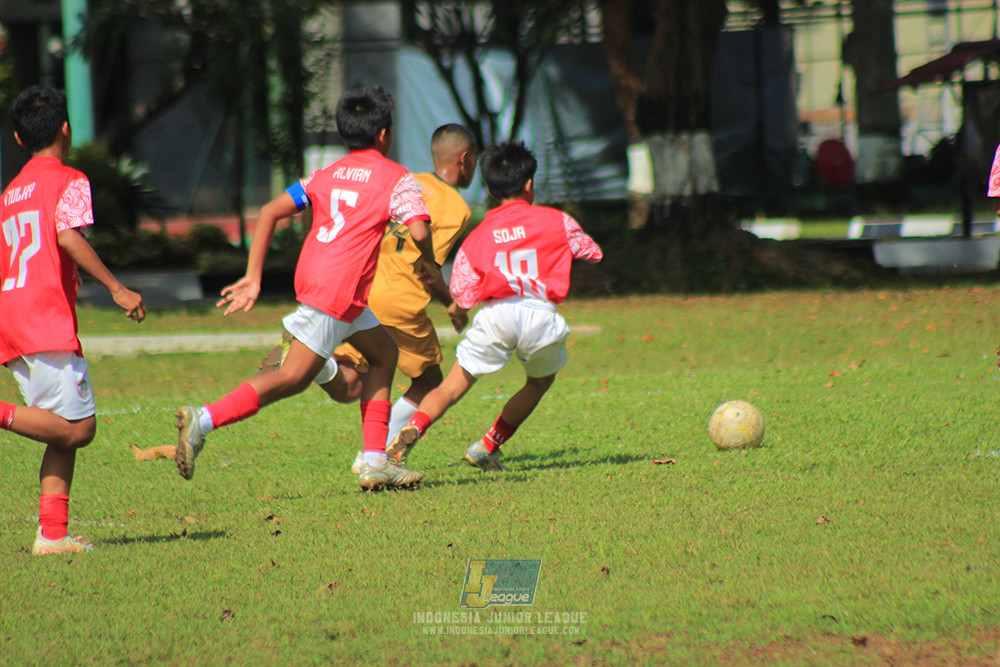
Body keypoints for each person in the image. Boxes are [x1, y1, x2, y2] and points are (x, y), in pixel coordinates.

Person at [172, 86, 442, 491]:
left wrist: (253, 276)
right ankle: (203, 419)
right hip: (338, 289)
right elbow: (419, 229)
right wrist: (429, 258)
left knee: (384, 355)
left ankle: (374, 462)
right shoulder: (396, 177)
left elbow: (269, 211)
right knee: (292, 378)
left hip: (327, 283)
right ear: (383, 135)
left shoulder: (324, 174)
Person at [258, 124, 479, 473]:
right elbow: (427, 266)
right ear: (465, 160)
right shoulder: (457, 208)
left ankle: (320, 368)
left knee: (350, 385)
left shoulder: (404, 179)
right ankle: (380, 451)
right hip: (401, 300)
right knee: (430, 381)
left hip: (361, 289)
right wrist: (451, 303)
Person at [385, 140, 603, 472]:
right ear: (529, 184)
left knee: (452, 386)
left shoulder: (478, 235)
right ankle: (488, 445)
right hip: (539, 314)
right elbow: (591, 251)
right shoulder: (557, 220)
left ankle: (410, 433)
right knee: (538, 383)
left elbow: (463, 291)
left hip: (497, 314)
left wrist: (459, 307)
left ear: (489, 188)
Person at [0, 85, 146, 555]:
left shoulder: (9, 193)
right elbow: (67, 236)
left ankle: (53, 535)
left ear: (20, 141)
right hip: (44, 318)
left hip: (12, 317)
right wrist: (117, 287)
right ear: (66, 128)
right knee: (80, 429)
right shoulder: (69, 179)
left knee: (62, 428)